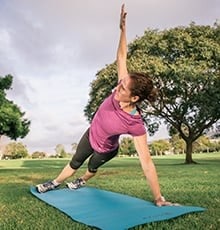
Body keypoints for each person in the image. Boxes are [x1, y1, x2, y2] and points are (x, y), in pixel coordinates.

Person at [36, 4, 174, 207]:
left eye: (123, 88)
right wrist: (123, 30)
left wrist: (158, 198)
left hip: (107, 148)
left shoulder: (135, 124)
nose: (118, 87)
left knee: (91, 167)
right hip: (92, 134)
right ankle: (55, 183)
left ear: (134, 98)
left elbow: (146, 163)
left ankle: (82, 181)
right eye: (121, 83)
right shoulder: (122, 85)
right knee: (75, 161)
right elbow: (121, 57)